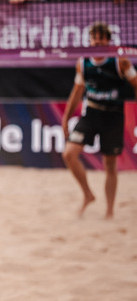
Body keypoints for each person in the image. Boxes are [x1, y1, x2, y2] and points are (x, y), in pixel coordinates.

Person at [61, 22, 137, 219]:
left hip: (114, 115)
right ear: (90, 40)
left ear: (108, 41)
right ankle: (88, 194)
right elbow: (77, 92)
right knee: (69, 153)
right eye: (94, 38)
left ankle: (109, 212)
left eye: (101, 38)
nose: (97, 42)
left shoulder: (120, 61)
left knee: (110, 165)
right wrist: (66, 118)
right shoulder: (83, 62)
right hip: (92, 113)